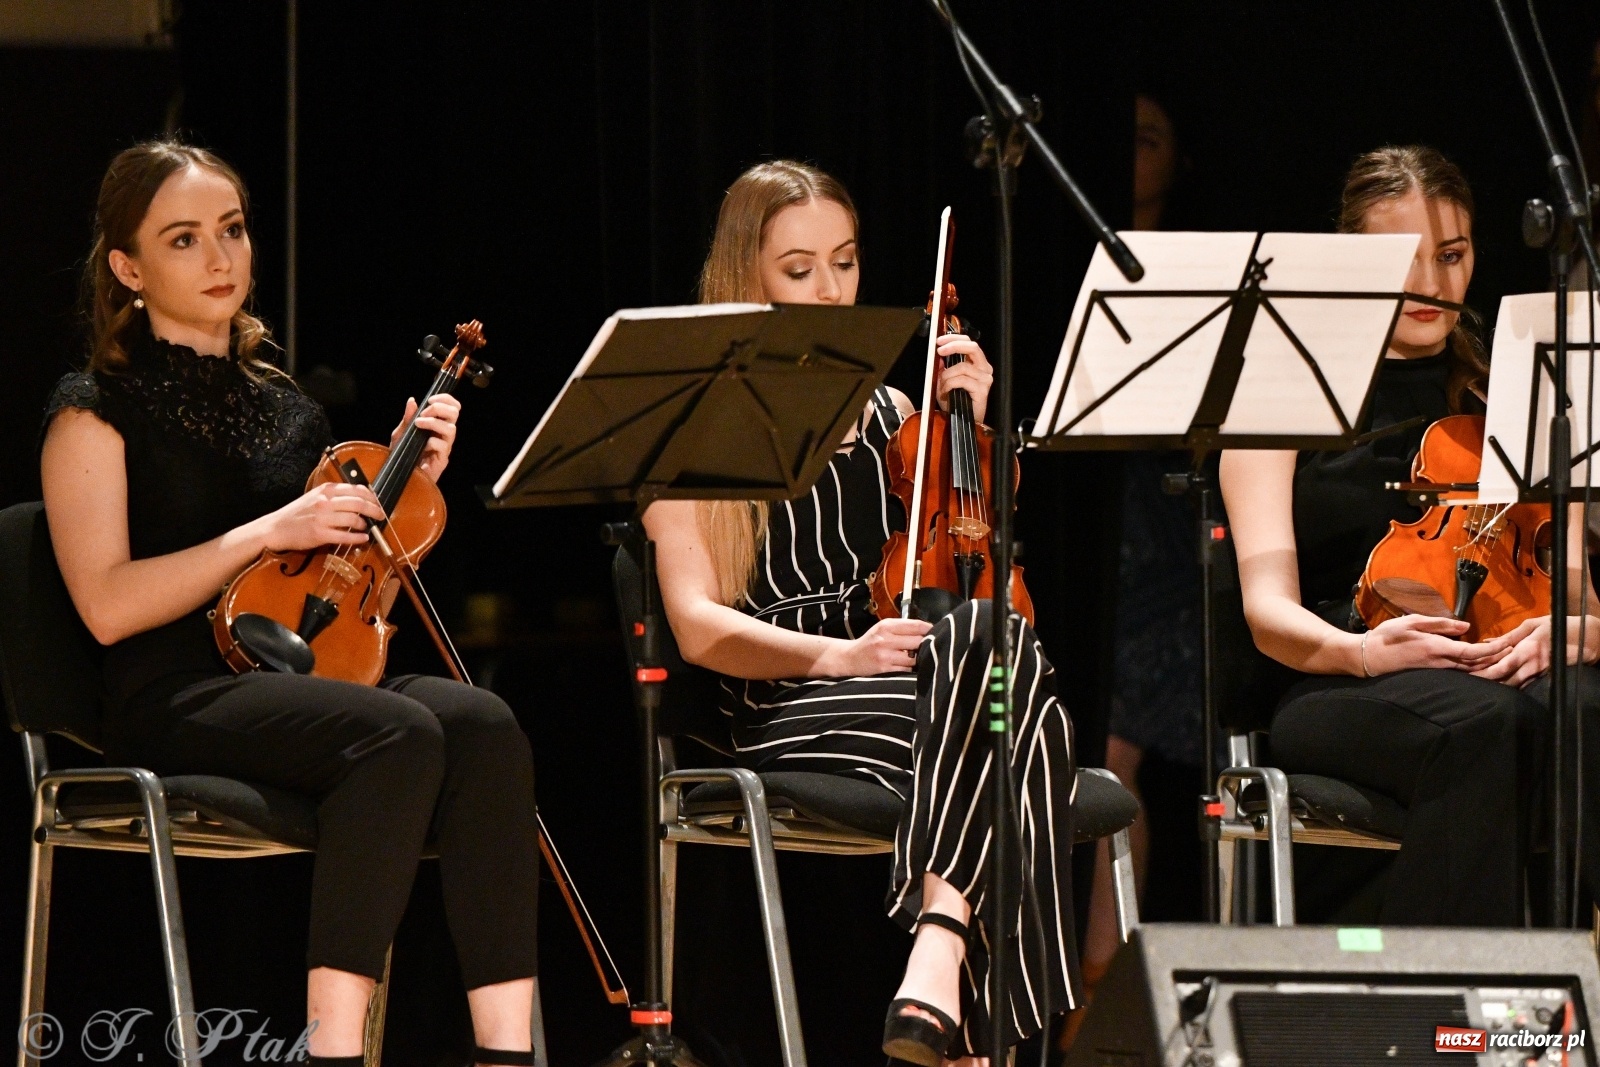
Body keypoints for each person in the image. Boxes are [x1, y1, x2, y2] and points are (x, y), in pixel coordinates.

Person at [39, 140, 541, 1067]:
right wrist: (268, 529)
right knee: (397, 735)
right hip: (172, 689)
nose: (221, 257)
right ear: (127, 267)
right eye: (183, 239)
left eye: (230, 230)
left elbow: (343, 577)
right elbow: (106, 605)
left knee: (483, 723)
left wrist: (404, 476)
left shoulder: (288, 408)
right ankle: (334, 1052)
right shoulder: (92, 412)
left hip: (301, 674)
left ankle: (507, 1053)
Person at [645, 160, 1080, 1066]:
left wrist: (970, 423)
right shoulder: (693, 414)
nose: (832, 290)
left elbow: (967, 561)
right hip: (784, 699)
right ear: (747, 274)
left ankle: (939, 947)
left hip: (918, 684)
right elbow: (696, 626)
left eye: (844, 263)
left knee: (996, 642)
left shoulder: (893, 414)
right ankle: (983, 1024)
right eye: (800, 269)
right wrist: (839, 655)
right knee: (1025, 733)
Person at [1220, 145, 1600, 925]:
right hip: (1335, 673)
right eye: (1403, 259)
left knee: (1582, 706)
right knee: (1486, 725)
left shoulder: (1519, 388)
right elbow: (1266, 609)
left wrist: (1575, 631)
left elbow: (1579, 596)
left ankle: (1562, 998)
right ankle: (1460, 1019)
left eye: (1453, 256)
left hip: (1492, 660)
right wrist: (1361, 652)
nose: (1432, 284)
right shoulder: (1278, 397)